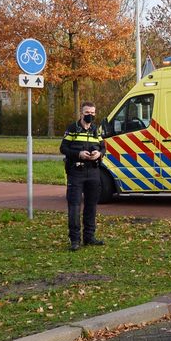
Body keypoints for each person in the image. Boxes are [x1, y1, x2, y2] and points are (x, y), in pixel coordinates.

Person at [60, 101, 106, 251]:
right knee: (74, 206)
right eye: (87, 113)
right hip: (76, 172)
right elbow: (63, 148)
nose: (90, 116)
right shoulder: (73, 128)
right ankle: (75, 240)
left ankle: (89, 237)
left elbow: (103, 147)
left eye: (93, 113)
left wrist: (99, 153)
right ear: (81, 113)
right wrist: (78, 154)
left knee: (91, 206)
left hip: (93, 171)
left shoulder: (96, 130)